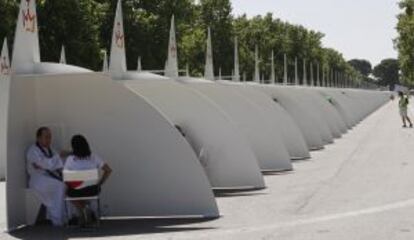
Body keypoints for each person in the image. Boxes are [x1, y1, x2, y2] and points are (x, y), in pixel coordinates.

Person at [64, 135, 112, 226]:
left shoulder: (70, 159)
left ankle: (82, 211)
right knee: (84, 192)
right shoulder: (94, 157)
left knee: (68, 192)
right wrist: (100, 184)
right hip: (92, 190)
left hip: (75, 191)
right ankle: (86, 210)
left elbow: (66, 177)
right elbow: (108, 170)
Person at [26, 127, 69, 226]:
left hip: (49, 178)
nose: (49, 139)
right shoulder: (33, 151)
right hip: (38, 179)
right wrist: (59, 156)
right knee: (60, 186)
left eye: (50, 136)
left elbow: (58, 162)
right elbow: (47, 164)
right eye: (46, 137)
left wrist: (70, 154)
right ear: (38, 138)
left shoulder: (50, 149)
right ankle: (58, 220)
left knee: (66, 184)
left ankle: (64, 217)